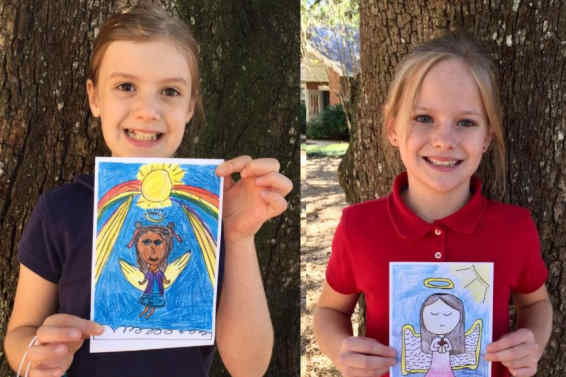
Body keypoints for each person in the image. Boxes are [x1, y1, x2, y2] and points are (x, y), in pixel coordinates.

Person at [3, 4, 293, 377]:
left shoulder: (211, 212)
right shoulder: (59, 211)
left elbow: (249, 367)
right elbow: (18, 334)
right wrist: (35, 355)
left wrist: (238, 237)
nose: (147, 110)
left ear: (190, 107)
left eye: (170, 91)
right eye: (126, 86)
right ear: (94, 98)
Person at [313, 32, 553, 377]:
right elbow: (329, 312)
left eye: (466, 123)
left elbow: (536, 302)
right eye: (423, 118)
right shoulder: (358, 227)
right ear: (393, 127)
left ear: (487, 137)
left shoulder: (514, 228)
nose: (444, 140)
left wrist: (532, 341)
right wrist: (340, 349)